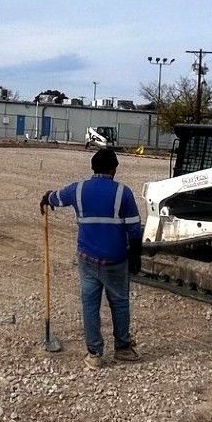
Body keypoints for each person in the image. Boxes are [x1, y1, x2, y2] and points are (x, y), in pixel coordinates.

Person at [42, 147, 144, 368]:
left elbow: (56, 197)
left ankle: (95, 354)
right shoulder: (123, 193)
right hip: (116, 260)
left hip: (87, 259)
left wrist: (47, 198)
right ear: (114, 169)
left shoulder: (78, 190)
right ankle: (123, 348)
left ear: (92, 168)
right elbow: (135, 230)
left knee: (90, 304)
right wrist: (135, 256)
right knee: (119, 303)